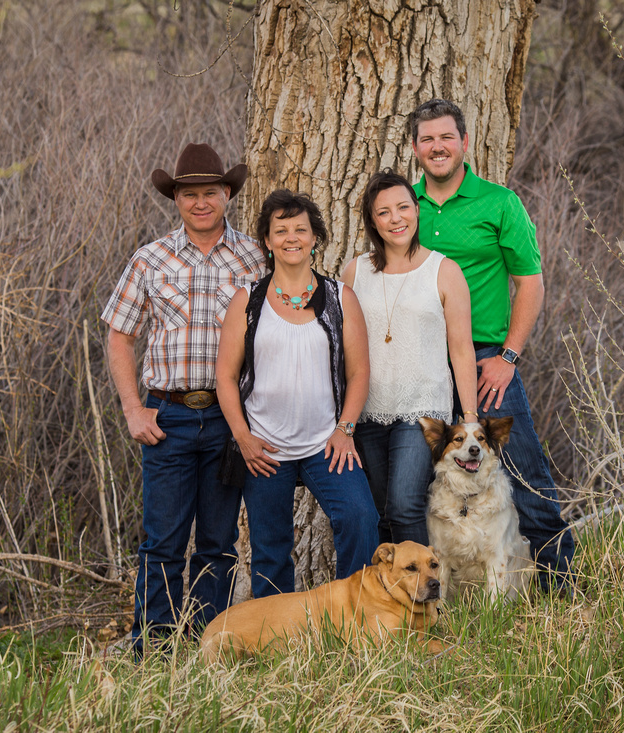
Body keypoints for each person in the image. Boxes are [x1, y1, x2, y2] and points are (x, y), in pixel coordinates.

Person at [101, 142, 267, 655]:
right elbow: (119, 335)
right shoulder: (150, 258)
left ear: (226, 195)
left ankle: (208, 646)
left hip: (228, 421)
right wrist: (133, 408)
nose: (200, 202)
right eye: (189, 194)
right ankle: (150, 646)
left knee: (218, 545)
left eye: (210, 192)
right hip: (167, 416)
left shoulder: (254, 257)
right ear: (176, 199)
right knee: (163, 542)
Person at [408, 99, 576, 589]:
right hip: (418, 363)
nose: (437, 147)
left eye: (446, 137)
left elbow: (531, 282)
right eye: (427, 139)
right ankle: (418, 600)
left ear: (463, 142)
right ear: (415, 148)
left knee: (525, 475)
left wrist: (507, 357)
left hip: (484, 360)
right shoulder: (404, 204)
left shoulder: (499, 202)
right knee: (409, 486)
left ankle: (562, 591)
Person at [215, 189, 378, 598]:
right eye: (280, 230)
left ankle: (357, 617)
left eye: (300, 229)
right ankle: (276, 643)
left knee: (361, 518)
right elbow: (225, 377)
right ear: (267, 242)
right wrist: (243, 438)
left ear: (314, 238)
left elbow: (359, 372)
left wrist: (345, 430)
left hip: (327, 444)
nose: (291, 237)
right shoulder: (248, 300)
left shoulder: (341, 298)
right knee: (271, 550)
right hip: (265, 449)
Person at [340, 169, 479, 545]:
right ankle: (392, 600)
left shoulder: (444, 271)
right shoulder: (355, 272)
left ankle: (426, 598)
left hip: (423, 410)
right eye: (383, 212)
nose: (395, 218)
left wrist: (468, 418)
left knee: (404, 506)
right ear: (372, 220)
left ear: (417, 211)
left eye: (403, 207)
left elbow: (461, 349)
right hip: (367, 410)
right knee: (379, 512)